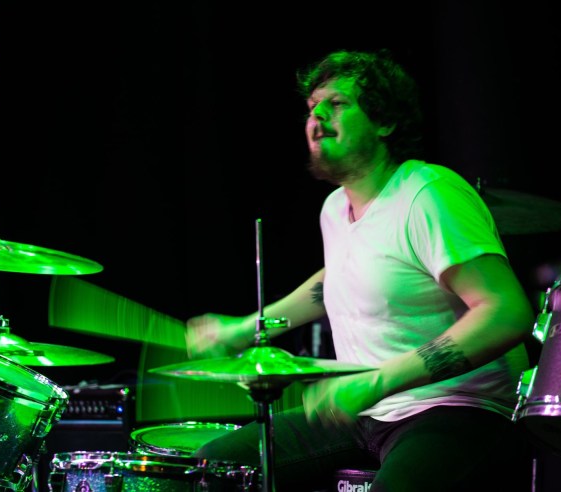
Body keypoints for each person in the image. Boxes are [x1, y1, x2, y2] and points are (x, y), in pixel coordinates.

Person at [185, 48, 535, 491]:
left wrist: (375, 382)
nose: (317, 118)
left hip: (459, 407)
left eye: (337, 104)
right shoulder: (335, 207)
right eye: (312, 107)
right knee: (215, 470)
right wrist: (249, 328)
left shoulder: (429, 195)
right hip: (367, 411)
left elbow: (505, 312)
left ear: (384, 122)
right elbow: (339, 278)